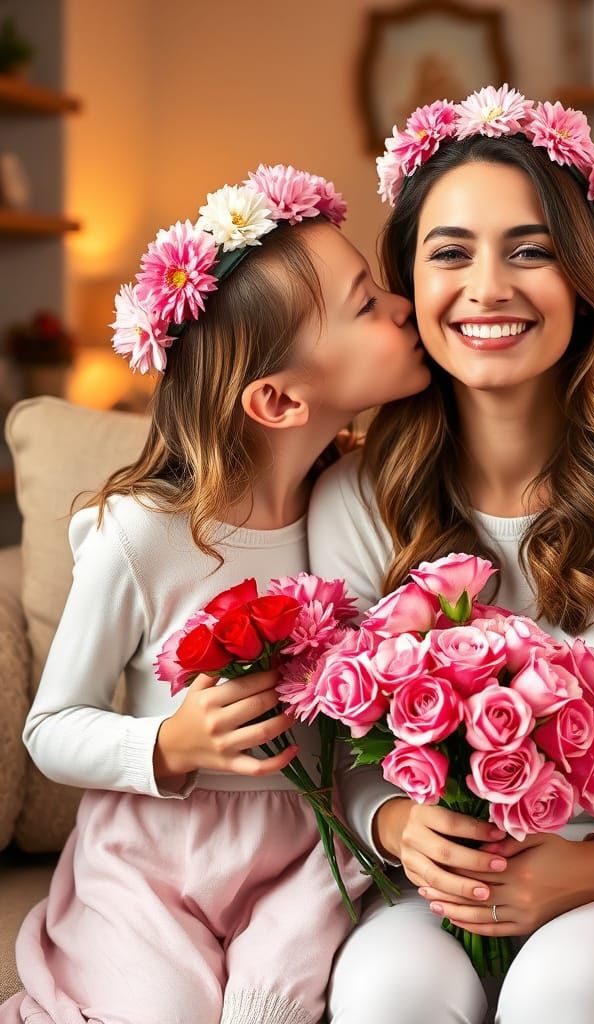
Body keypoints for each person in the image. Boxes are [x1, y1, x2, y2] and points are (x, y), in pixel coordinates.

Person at [310, 86, 594, 1023]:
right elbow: (343, 748)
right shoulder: (353, 499)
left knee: (563, 989)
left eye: (530, 251)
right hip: (444, 889)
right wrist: (400, 825)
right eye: (450, 253)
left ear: (584, 276)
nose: (489, 288)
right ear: (408, 284)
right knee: (387, 992)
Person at [0, 165, 430, 1024]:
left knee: (268, 1010)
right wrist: (169, 743)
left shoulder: (359, 507)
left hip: (310, 857)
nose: (404, 305)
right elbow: (51, 728)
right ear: (278, 398)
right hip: (154, 864)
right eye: (365, 303)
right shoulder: (142, 534)